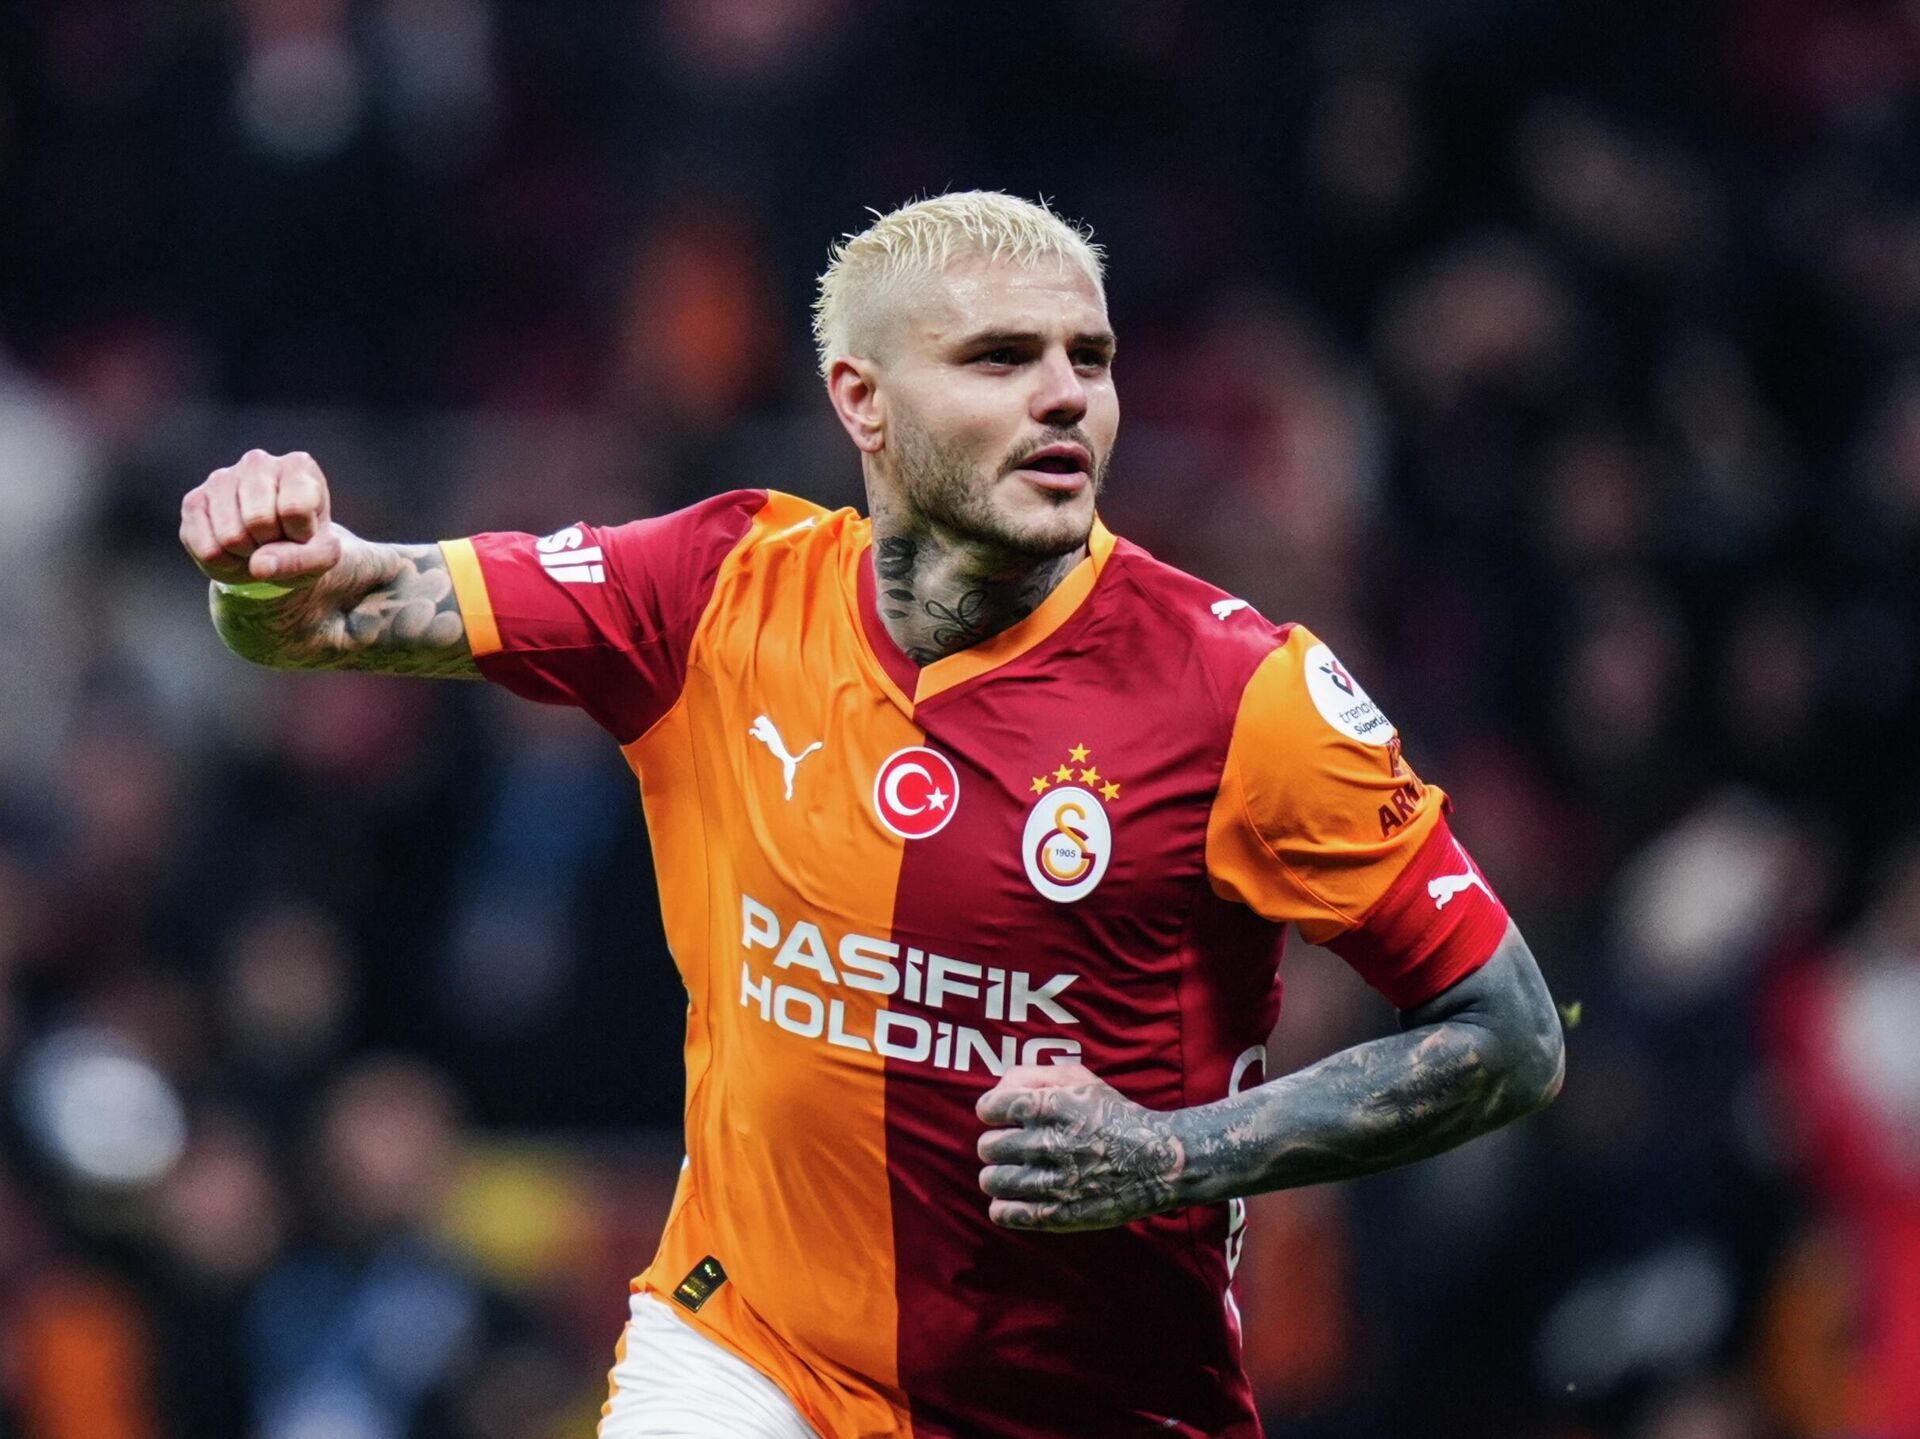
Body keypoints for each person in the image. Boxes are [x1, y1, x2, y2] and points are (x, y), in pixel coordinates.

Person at [178, 192, 1565, 1439]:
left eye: (1090, 359)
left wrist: (1173, 1154)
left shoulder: (1243, 692)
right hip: (747, 1351)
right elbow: (328, 614)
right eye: (1000, 359)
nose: (1065, 397)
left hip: (1093, 1403)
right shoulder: (719, 587)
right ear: (863, 400)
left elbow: (1511, 1035)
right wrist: (266, 570)